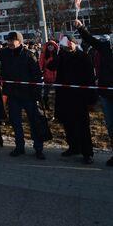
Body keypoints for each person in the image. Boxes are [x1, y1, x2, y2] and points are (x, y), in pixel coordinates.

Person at [0, 31, 46, 160]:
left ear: (20, 41)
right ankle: (19, 147)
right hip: (13, 95)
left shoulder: (29, 56)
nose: (10, 42)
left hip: (29, 96)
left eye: (13, 40)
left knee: (34, 123)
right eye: (9, 40)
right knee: (16, 123)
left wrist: (38, 95)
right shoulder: (5, 53)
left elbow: (36, 77)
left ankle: (38, 149)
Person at [46, 33, 97, 164]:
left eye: (70, 43)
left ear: (75, 43)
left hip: (80, 97)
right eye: (65, 44)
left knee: (83, 126)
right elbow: (51, 66)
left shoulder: (84, 57)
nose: (68, 47)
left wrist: (91, 99)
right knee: (68, 124)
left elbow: (90, 78)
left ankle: (87, 153)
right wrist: (58, 53)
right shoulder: (61, 56)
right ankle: (73, 147)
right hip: (65, 96)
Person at [74, 20, 113, 166]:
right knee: (110, 126)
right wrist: (81, 28)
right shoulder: (105, 49)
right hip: (106, 95)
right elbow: (90, 40)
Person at [39, 40, 59, 112]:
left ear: (55, 46)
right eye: (49, 45)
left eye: (52, 45)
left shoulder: (58, 54)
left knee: (58, 93)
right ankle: (46, 105)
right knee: (46, 93)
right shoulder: (44, 55)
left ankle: (57, 107)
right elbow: (40, 63)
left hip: (57, 76)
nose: (50, 47)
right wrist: (40, 71)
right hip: (47, 76)